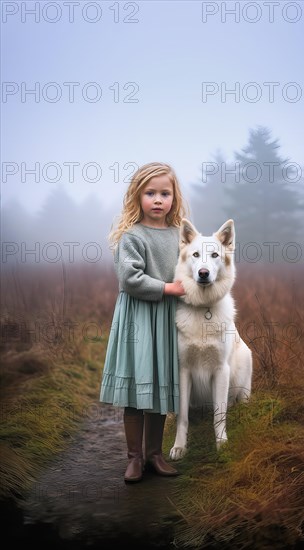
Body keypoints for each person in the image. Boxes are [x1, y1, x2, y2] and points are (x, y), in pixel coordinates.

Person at [100, 162, 188, 483]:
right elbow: (129, 278)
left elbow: (192, 271)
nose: (157, 200)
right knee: (139, 386)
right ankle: (134, 458)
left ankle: (155, 455)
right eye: (150, 193)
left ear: (174, 198)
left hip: (166, 319)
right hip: (138, 317)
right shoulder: (132, 236)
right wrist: (168, 288)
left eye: (165, 193)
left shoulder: (180, 235)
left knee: (161, 382)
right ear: (137, 197)